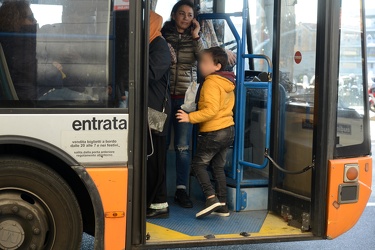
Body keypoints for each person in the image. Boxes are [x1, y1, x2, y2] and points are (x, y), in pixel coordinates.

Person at [176, 47, 235, 218]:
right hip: (228, 129)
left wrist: (190, 117)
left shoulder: (210, 82)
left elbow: (211, 110)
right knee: (218, 167)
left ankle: (211, 198)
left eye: (204, 62)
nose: (200, 65)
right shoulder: (227, 82)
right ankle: (223, 205)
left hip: (214, 131)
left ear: (217, 66)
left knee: (198, 165)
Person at [161, 0, 205, 208]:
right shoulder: (162, 35)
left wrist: (196, 36)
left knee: (182, 147)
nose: (186, 18)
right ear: (173, 15)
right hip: (162, 97)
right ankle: (156, 189)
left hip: (185, 100)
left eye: (190, 15)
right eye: (182, 14)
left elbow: (204, 61)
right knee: (159, 143)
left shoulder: (194, 38)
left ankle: (181, 190)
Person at [146, 11, 172, 219]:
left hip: (156, 112)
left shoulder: (160, 46)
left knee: (155, 157)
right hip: (147, 109)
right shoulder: (150, 44)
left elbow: (151, 74)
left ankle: (159, 204)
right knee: (148, 156)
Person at [0, 0, 38, 100]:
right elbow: (31, 73)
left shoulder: (7, 40)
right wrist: (55, 70)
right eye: (31, 18)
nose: (35, 21)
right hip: (26, 99)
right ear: (16, 20)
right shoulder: (19, 43)